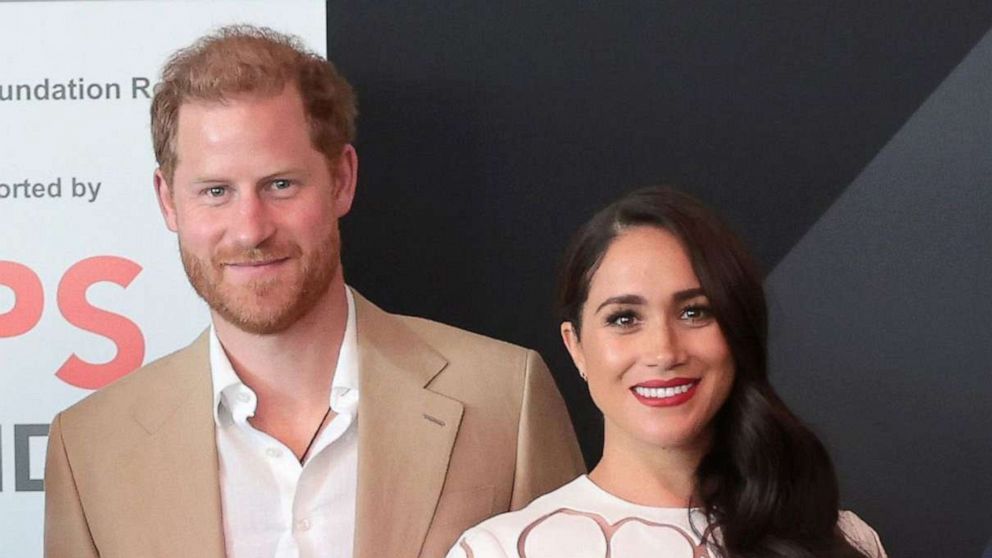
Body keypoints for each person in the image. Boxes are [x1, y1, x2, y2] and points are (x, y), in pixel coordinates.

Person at [43, 25, 584, 558]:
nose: (251, 228)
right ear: (168, 201)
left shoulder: (506, 400)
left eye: (280, 184)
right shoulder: (90, 448)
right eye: (215, 191)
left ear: (341, 179)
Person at [448, 187, 886, 557]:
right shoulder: (499, 551)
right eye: (624, 318)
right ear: (576, 346)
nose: (663, 350)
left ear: (737, 330)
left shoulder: (842, 540)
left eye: (695, 312)